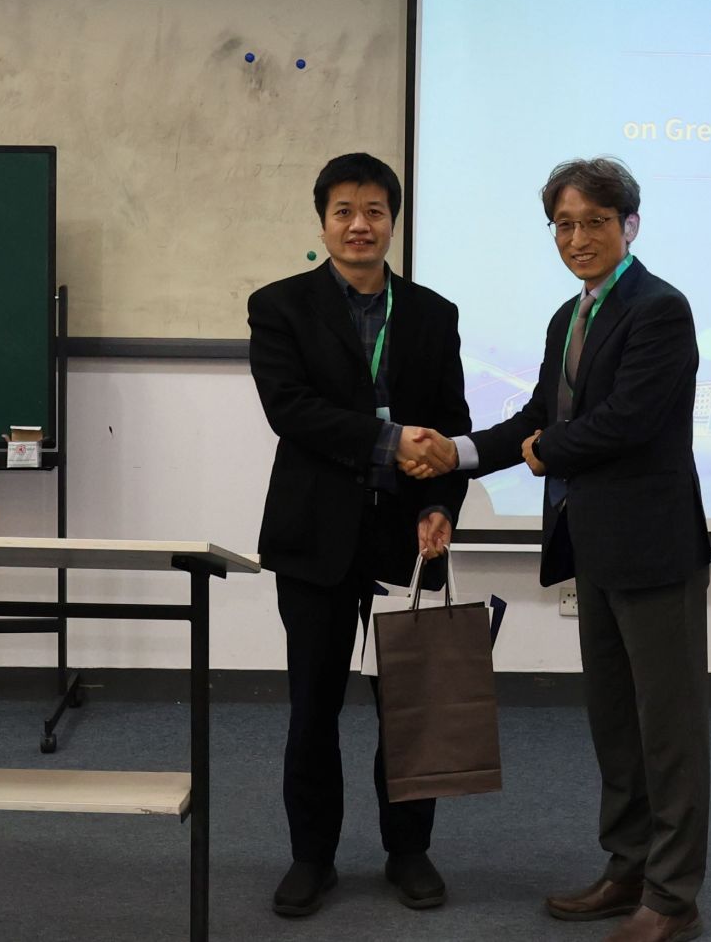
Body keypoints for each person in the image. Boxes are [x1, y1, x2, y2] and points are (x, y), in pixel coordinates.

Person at [413, 157, 711, 942]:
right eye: (565, 224)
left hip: (654, 547)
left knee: (669, 730)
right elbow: (538, 414)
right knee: (615, 721)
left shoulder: (660, 308)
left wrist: (549, 450)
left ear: (629, 225)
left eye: (595, 222)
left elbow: (629, 419)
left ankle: (673, 897)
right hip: (594, 546)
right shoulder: (567, 316)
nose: (578, 238)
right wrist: (457, 453)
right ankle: (628, 867)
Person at [247, 151, 469, 918]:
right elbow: (291, 410)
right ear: (323, 222)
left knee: (410, 707)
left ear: (392, 221)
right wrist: (387, 439)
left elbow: (452, 424)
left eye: (374, 210)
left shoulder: (433, 314)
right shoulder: (279, 306)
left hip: (406, 541)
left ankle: (409, 849)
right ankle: (312, 856)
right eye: (344, 210)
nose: (359, 224)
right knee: (313, 707)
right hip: (314, 537)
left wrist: (440, 503)